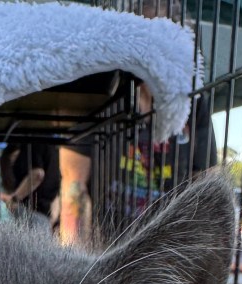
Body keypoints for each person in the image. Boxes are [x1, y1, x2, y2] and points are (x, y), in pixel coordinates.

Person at [58, 0, 217, 245]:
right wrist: (75, 257)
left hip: (165, 249)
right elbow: (74, 187)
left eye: (165, 38)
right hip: (107, 248)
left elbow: (204, 186)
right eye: (146, 38)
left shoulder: (194, 102)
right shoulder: (100, 95)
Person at [0, 141, 60, 230]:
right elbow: (55, 189)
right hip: (45, 215)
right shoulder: (53, 148)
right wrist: (53, 216)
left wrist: (15, 198)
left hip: (29, 212)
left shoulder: (31, 144)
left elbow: (37, 174)